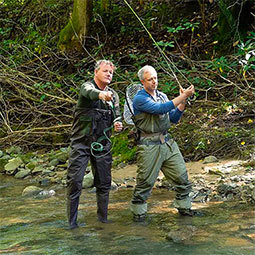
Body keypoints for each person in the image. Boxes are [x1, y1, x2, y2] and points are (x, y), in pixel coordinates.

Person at [130, 65, 200, 222]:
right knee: (145, 183)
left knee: (182, 177)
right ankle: (138, 214)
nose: (154, 81)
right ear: (142, 81)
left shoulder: (162, 95)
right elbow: (160, 109)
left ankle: (184, 208)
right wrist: (182, 97)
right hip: (148, 145)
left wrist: (183, 101)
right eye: (150, 79)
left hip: (168, 143)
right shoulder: (140, 99)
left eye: (155, 78)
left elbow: (173, 118)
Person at [67, 60, 123, 229]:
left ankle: (103, 221)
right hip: (81, 144)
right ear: (96, 73)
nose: (109, 74)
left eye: (111, 73)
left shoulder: (114, 95)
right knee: (75, 182)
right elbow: (89, 93)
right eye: (105, 71)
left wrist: (118, 125)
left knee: (104, 183)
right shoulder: (87, 87)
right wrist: (100, 95)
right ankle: (72, 224)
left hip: (102, 144)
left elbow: (117, 117)